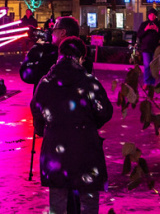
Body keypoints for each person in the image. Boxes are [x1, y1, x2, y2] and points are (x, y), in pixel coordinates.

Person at [31, 37, 113, 214]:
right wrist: (90, 124)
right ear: (82, 57)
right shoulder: (90, 82)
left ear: (59, 56)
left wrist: (45, 130)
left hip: (55, 148)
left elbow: (36, 111)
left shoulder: (46, 83)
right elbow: (104, 111)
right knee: (88, 201)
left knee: (58, 201)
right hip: (86, 147)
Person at [135, 8, 160, 86]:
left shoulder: (159, 24)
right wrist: (146, 29)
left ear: (155, 16)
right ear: (148, 15)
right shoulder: (144, 24)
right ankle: (146, 82)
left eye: (153, 15)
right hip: (146, 48)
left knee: (154, 66)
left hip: (156, 49)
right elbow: (139, 35)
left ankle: (152, 83)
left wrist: (157, 29)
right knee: (147, 65)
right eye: (150, 14)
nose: (152, 16)